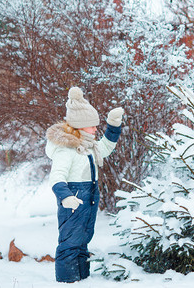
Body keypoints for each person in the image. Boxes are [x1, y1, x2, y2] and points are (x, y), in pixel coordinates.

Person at [45, 87, 123, 283]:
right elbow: (57, 176)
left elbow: (105, 148)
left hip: (88, 198)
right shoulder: (67, 149)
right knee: (70, 242)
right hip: (73, 199)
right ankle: (67, 281)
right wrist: (66, 196)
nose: (96, 129)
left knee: (82, 241)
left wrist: (113, 126)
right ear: (80, 126)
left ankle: (83, 279)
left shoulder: (89, 146)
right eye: (92, 126)